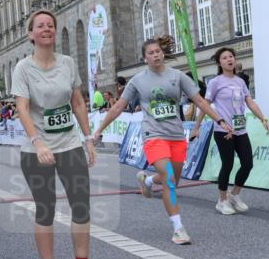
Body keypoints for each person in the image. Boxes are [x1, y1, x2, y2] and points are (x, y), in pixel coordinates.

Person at [95, 38, 231, 245]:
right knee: (168, 179)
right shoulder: (137, 81)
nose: (156, 55)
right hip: (153, 135)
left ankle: (148, 180)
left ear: (162, 54)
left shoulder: (178, 76)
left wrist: (219, 119)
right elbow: (117, 107)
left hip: (176, 135)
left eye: (158, 51)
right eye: (151, 53)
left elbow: (201, 101)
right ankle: (178, 228)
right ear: (144, 58)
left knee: (173, 181)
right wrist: (99, 130)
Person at [13, 9, 103, 259]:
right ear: (31, 34)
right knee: (46, 209)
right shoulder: (24, 68)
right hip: (36, 149)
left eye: (50, 25)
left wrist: (88, 138)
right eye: (40, 25)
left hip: (69, 144)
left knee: (81, 206)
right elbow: (22, 108)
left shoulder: (67, 63)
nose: (46, 29)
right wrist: (38, 142)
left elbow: (77, 102)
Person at [193, 48, 269, 215]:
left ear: (234, 60)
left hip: (240, 130)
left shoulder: (240, 82)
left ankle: (234, 194)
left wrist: (262, 118)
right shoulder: (215, 82)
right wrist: (196, 126)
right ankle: (222, 201)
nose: (229, 60)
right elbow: (204, 105)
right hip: (223, 130)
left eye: (231, 57)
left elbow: (250, 103)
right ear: (219, 63)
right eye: (224, 58)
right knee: (227, 164)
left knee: (247, 163)